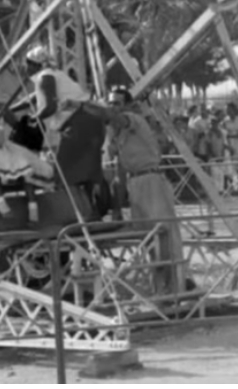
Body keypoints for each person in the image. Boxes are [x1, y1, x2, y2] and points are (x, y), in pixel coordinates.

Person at [74, 87, 184, 295]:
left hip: (152, 180)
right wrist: (117, 208)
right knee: (148, 241)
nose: (113, 106)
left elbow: (111, 116)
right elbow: (120, 173)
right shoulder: (116, 135)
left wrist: (84, 105)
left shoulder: (133, 119)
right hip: (136, 184)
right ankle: (161, 289)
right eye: (111, 102)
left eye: (117, 103)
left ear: (127, 105)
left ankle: (177, 286)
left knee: (165, 237)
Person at [14, 45, 106, 220]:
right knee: (88, 169)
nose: (25, 69)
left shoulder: (44, 78)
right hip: (93, 121)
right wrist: (12, 108)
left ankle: (76, 213)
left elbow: (49, 107)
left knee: (63, 172)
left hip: (79, 123)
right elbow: (35, 97)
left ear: (33, 64)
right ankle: (93, 212)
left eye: (27, 65)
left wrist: (34, 119)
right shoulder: (55, 75)